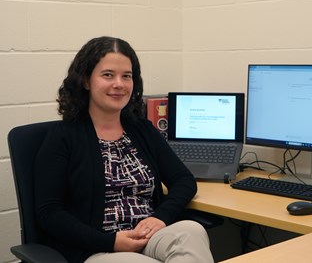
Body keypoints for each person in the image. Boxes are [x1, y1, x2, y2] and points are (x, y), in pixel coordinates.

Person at [34, 36, 214, 263]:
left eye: (126, 76)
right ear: (86, 80)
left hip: (148, 238)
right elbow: (49, 213)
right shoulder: (62, 137)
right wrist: (111, 241)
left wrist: (160, 218)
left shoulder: (141, 130)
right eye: (108, 75)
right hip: (96, 249)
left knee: (191, 230)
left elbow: (184, 180)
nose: (119, 84)